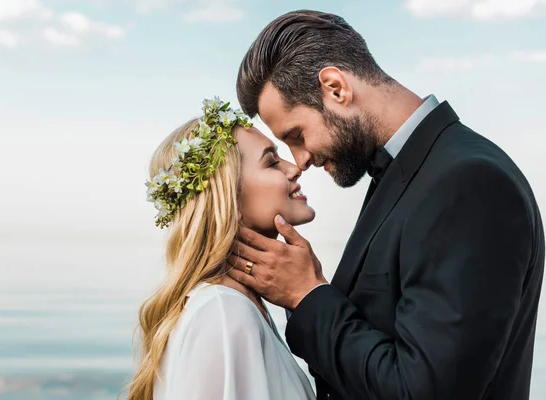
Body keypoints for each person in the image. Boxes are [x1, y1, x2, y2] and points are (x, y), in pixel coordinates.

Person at [229, 10, 545, 400]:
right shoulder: (413, 172)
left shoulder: (469, 182)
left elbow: (425, 391)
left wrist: (307, 296)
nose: (300, 160)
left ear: (335, 88)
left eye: (297, 135)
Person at [125, 97, 316, 400]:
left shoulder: (242, 306)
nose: (294, 168)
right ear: (230, 199)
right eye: (271, 162)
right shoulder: (224, 312)